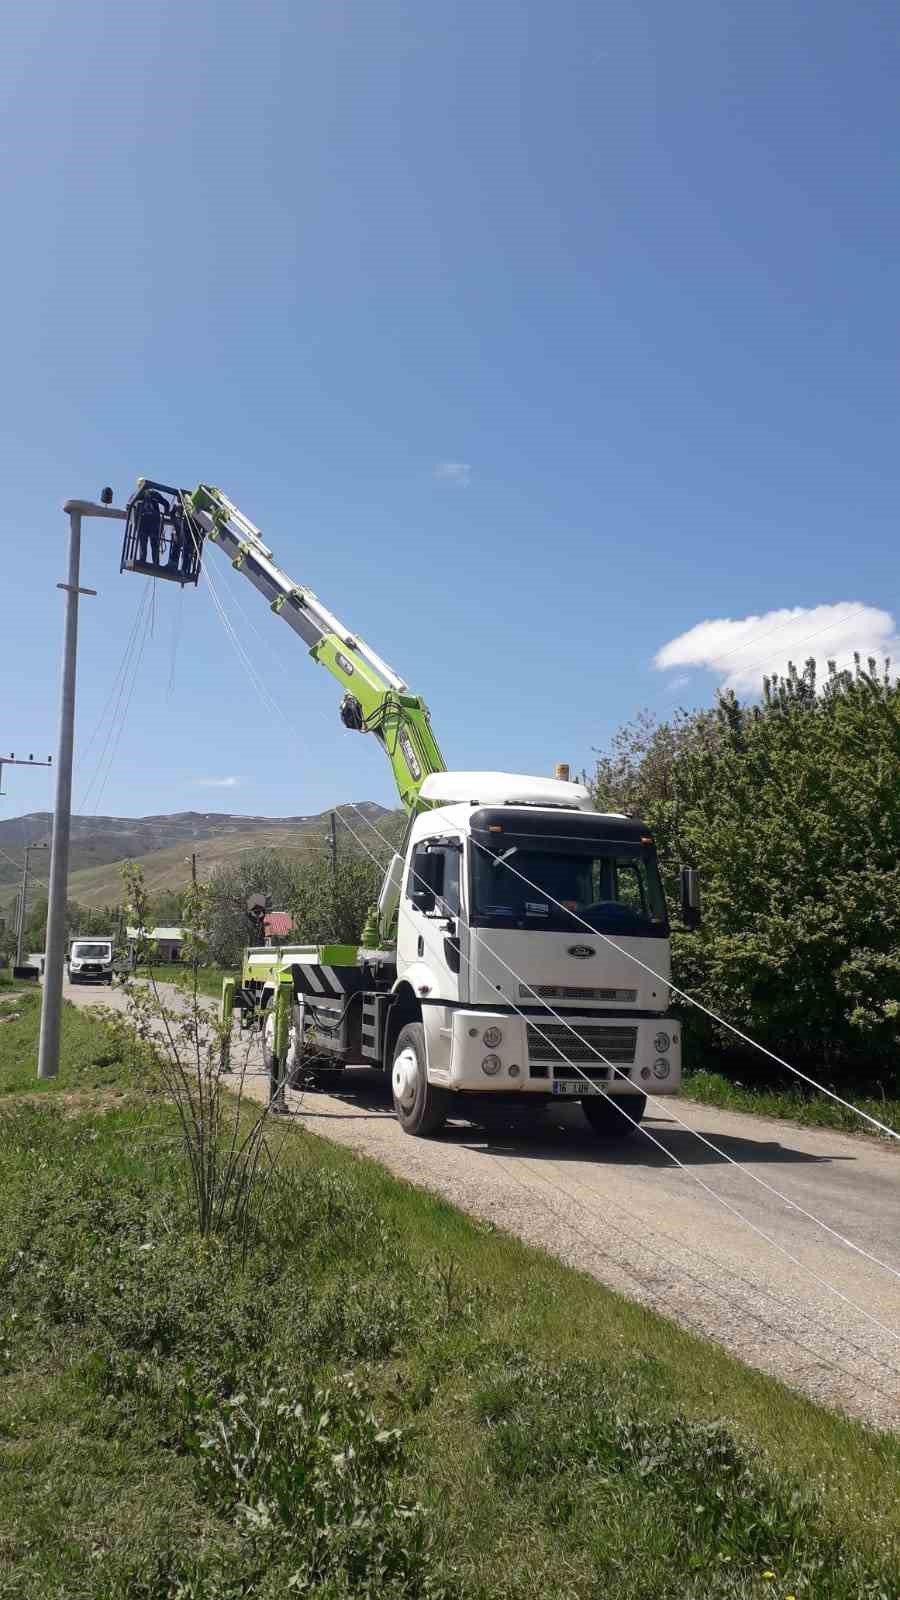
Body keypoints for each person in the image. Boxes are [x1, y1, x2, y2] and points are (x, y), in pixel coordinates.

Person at [128, 484, 168, 566]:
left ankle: (144, 560)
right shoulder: (154, 494)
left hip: (144, 523)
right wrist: (166, 514)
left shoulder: (138, 494)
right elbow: (166, 504)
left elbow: (129, 505)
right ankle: (155, 563)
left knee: (144, 542)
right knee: (153, 543)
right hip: (153, 523)